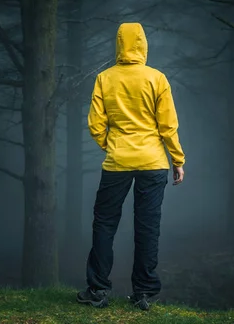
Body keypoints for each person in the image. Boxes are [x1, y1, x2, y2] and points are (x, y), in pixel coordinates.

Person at [76, 22, 185, 311]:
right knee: (147, 226)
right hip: (153, 163)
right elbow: (168, 125)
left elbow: (96, 124)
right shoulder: (157, 78)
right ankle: (145, 293)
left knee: (104, 224)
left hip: (117, 162)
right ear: (143, 44)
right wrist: (177, 159)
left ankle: (97, 290)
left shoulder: (104, 78)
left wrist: (111, 146)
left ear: (118, 44)